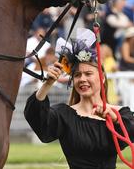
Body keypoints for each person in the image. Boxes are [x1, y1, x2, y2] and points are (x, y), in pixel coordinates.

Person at [24, 28, 134, 169]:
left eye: (88, 74)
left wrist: (114, 119)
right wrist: (47, 84)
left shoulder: (121, 114)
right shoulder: (64, 114)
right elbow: (37, 119)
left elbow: (130, 134)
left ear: (102, 77)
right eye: (77, 75)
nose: (82, 79)